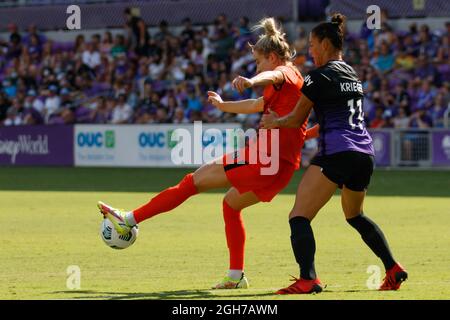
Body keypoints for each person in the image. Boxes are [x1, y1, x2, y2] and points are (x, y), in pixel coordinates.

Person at [97, 17, 318, 289]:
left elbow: (271, 75)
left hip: (261, 159)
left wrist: (251, 79)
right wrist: (225, 106)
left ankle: (128, 219)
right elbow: (257, 104)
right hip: (280, 168)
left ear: (272, 57)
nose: (257, 66)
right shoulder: (288, 84)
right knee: (230, 205)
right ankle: (235, 276)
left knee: (191, 183)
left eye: (259, 61)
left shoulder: (284, 73)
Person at [261, 13, 407, 294]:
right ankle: (392, 267)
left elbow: (294, 118)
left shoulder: (317, 77)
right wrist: (306, 132)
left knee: (298, 216)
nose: (310, 51)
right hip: (364, 153)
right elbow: (333, 118)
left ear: (326, 44)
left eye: (313, 45)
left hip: (336, 152)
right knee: (355, 215)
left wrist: (274, 123)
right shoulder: (352, 74)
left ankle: (308, 279)